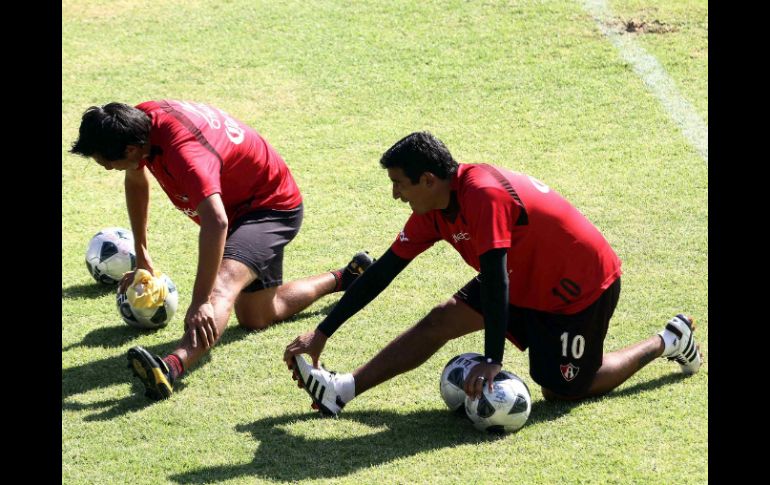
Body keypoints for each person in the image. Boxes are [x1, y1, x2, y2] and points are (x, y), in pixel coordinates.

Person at [283, 131, 702, 417]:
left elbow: (496, 278)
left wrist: (492, 360)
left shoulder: (482, 195)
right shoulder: (431, 209)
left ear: (428, 180)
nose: (395, 194)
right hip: (519, 278)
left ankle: (668, 340)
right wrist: (323, 331)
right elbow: (383, 273)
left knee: (562, 390)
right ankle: (342, 391)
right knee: (441, 319)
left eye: (399, 184)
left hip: (577, 287)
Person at [70, 100, 373, 400]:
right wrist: (142, 254)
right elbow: (136, 179)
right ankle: (345, 278)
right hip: (244, 200)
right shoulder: (138, 124)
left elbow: (216, 222)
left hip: (269, 208)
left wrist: (201, 300)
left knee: (221, 289)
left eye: (105, 162)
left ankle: (171, 367)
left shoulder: (185, 155)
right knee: (256, 316)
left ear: (131, 150)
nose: (107, 167)